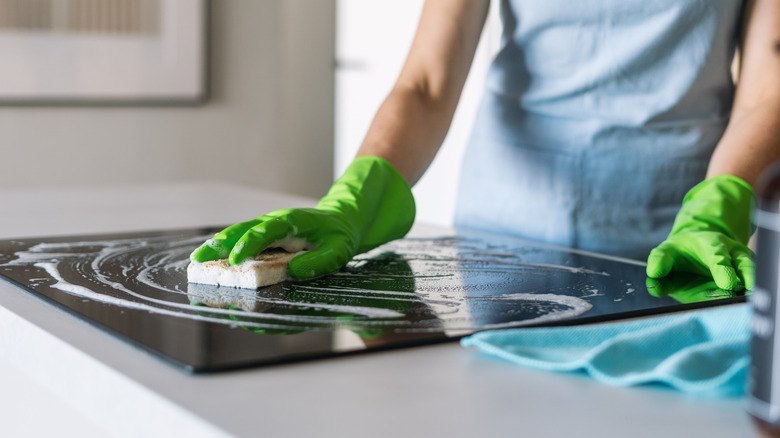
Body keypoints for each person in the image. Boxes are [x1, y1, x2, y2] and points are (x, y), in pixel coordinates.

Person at [192, 0, 780, 291]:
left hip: (672, 237)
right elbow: (426, 81)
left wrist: (720, 206)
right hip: (501, 238)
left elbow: (766, 88)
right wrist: (353, 196)